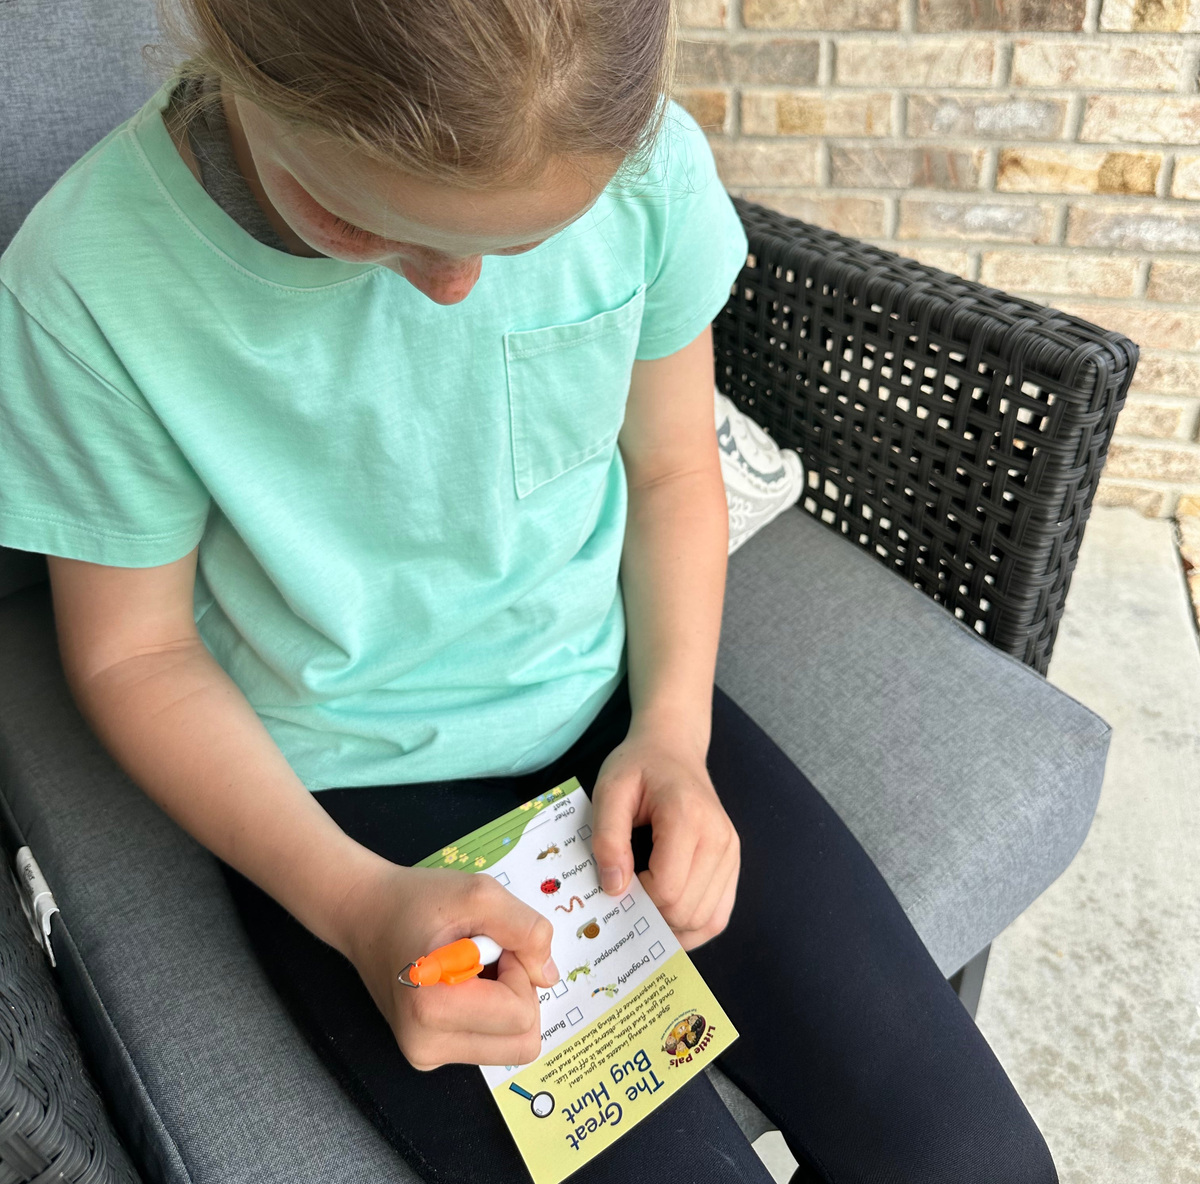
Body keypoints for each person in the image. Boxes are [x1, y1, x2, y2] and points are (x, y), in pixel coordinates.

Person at [0, 1, 1059, 1179]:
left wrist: (674, 730)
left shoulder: (649, 167)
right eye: (364, 222)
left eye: (524, 246)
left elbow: (671, 467)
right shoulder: (88, 279)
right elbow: (135, 651)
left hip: (614, 708)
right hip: (343, 791)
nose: (454, 287)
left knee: (976, 1160)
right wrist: (355, 904)